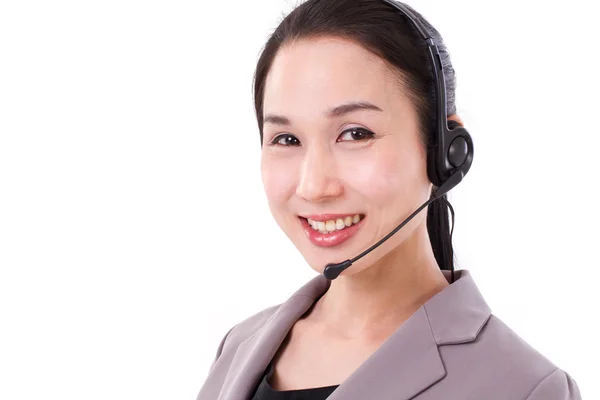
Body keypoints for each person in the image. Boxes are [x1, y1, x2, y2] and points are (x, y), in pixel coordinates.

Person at [197, 0, 582, 399]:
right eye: (287, 139)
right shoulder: (240, 346)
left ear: (445, 151)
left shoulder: (522, 387)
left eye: (356, 134)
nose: (313, 186)